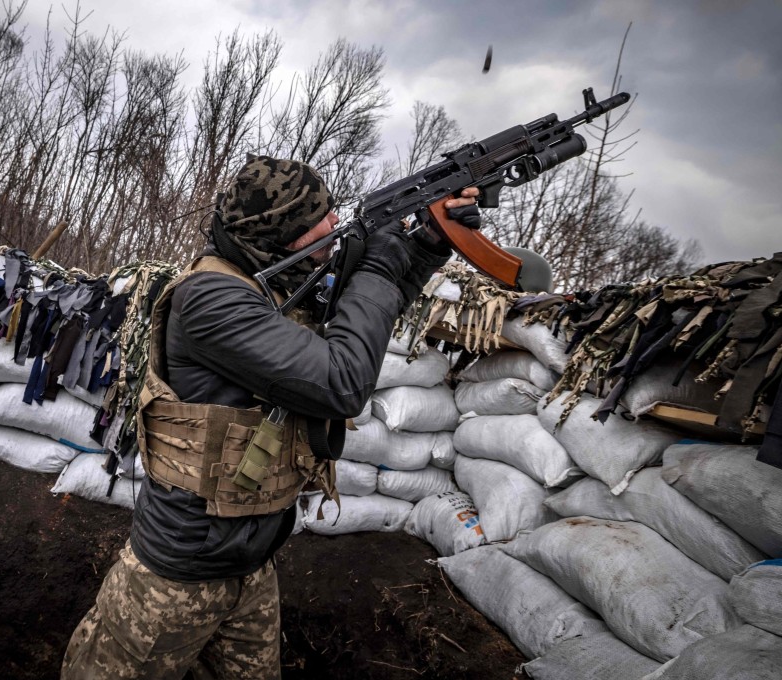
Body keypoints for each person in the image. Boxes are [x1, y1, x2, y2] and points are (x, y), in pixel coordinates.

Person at [61, 155, 480, 679]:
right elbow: (340, 380)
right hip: (175, 580)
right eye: (316, 221)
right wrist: (377, 262)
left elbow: (370, 314)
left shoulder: (277, 286)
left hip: (253, 569)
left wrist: (426, 245)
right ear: (276, 236)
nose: (334, 225)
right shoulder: (211, 299)